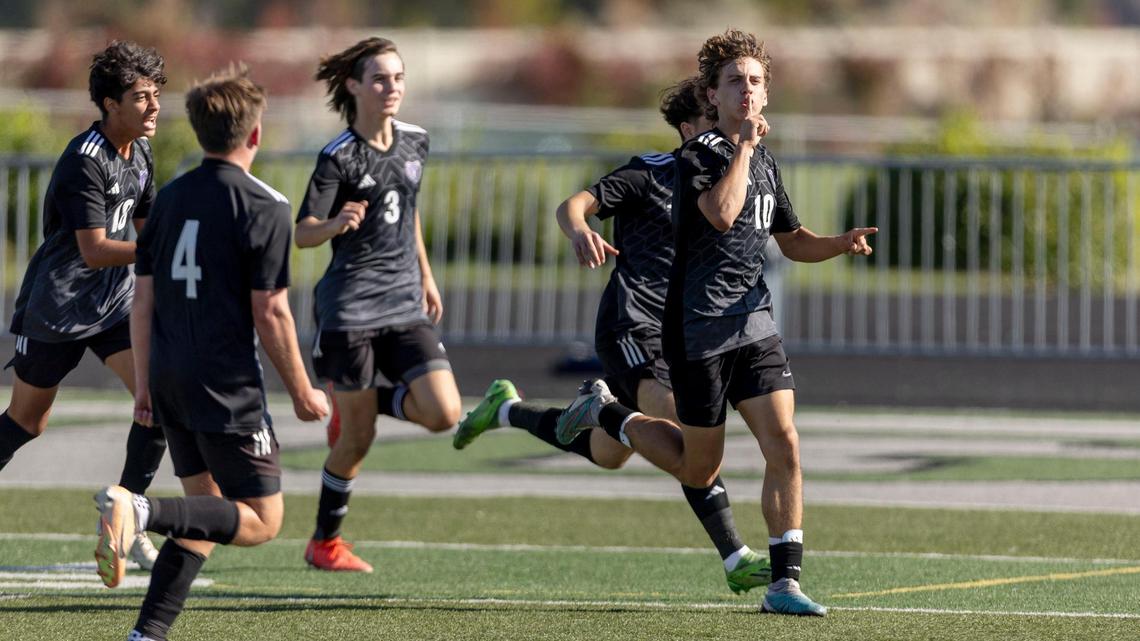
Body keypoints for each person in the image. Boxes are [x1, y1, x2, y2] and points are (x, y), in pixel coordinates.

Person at [558, 29, 877, 616]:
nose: (748, 92)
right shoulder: (699, 154)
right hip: (697, 331)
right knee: (699, 465)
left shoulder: (767, 161)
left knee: (785, 443)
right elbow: (723, 214)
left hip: (754, 323)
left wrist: (840, 242)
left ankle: (785, 584)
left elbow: (792, 240)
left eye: (757, 82)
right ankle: (605, 413)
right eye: (735, 82)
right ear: (713, 93)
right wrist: (745, 149)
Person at [453, 77, 770, 595]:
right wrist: (580, 229)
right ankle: (736, 556)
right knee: (684, 430)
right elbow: (572, 205)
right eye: (715, 123)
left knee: (608, 453)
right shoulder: (653, 172)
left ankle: (508, 408)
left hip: (680, 336)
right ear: (690, 130)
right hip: (632, 326)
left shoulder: (731, 183)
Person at [93, 64, 328, 641]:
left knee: (207, 516)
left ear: (200, 132)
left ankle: (146, 634)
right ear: (255, 135)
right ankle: (139, 510)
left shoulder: (168, 200)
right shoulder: (267, 205)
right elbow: (270, 311)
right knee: (261, 521)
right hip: (224, 385)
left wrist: (145, 384)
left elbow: (141, 302)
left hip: (169, 375)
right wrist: (303, 392)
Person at [296, 37, 461, 573]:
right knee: (358, 440)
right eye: (380, 79)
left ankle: (357, 402)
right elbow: (302, 234)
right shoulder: (338, 156)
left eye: (398, 78)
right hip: (349, 311)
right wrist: (335, 223)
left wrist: (427, 276)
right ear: (354, 86)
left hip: (404, 303)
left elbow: (406, 211)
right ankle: (325, 542)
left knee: (444, 413)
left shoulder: (416, 141)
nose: (392, 88)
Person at [0, 40, 167, 569]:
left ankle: (124, 517)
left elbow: (149, 230)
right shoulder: (84, 159)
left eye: (156, 94)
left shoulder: (140, 152)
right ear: (109, 103)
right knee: (27, 423)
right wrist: (165, 250)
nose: (154, 106)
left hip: (115, 306)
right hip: (58, 308)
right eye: (141, 97)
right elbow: (95, 250)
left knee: (156, 401)